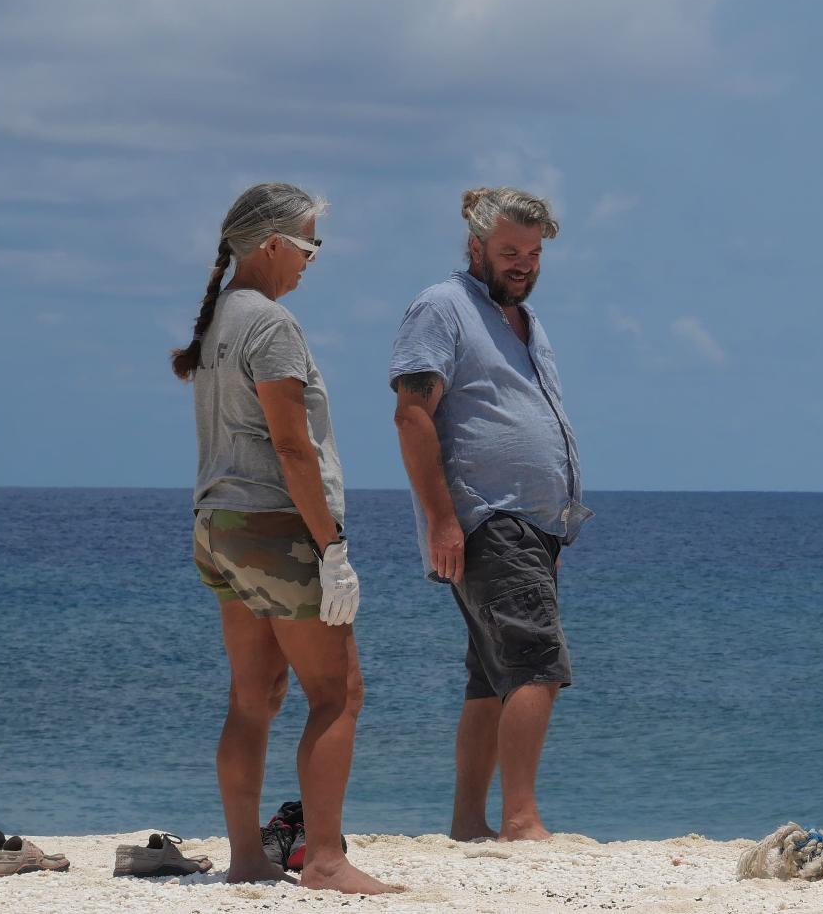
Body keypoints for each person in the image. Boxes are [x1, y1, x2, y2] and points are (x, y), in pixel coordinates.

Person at [172, 183, 398, 895]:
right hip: (274, 528)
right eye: (307, 244)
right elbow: (292, 448)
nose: (312, 260)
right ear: (270, 245)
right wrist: (332, 549)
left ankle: (247, 858)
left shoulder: (218, 322)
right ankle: (326, 861)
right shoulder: (271, 326)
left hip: (218, 527)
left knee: (253, 695)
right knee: (337, 694)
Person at [389, 187, 591, 842]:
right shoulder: (443, 307)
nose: (523, 264)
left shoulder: (525, 321)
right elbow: (413, 413)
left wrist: (553, 524)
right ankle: (522, 820)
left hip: (530, 525)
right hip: (489, 517)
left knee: (490, 678)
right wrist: (443, 520)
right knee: (536, 665)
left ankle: (469, 823)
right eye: (509, 252)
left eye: (532, 253)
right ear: (474, 246)